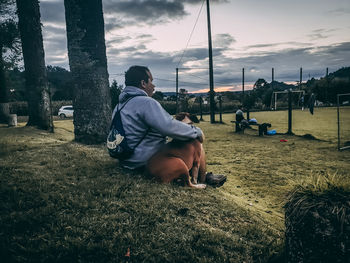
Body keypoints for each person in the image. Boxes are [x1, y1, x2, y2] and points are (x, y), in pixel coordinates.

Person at [112, 65, 226, 187]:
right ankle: (203, 178)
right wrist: (196, 131)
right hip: (145, 161)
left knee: (184, 142)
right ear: (143, 83)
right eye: (151, 81)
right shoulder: (145, 102)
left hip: (127, 161)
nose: (154, 86)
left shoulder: (120, 106)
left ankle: (197, 175)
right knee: (195, 141)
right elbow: (168, 126)